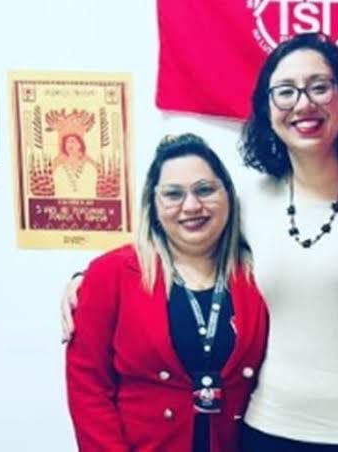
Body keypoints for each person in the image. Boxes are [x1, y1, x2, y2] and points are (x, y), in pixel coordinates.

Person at [63, 32, 338, 452]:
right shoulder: (249, 203)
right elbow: (182, 243)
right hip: (270, 429)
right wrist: (84, 282)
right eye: (286, 91)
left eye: (319, 86)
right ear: (267, 109)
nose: (303, 103)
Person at [65, 133, 269, 452]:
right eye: (173, 194)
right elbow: (88, 388)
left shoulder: (261, 274)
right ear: (154, 204)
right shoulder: (110, 275)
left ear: (228, 195)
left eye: (205, 190)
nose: (192, 206)